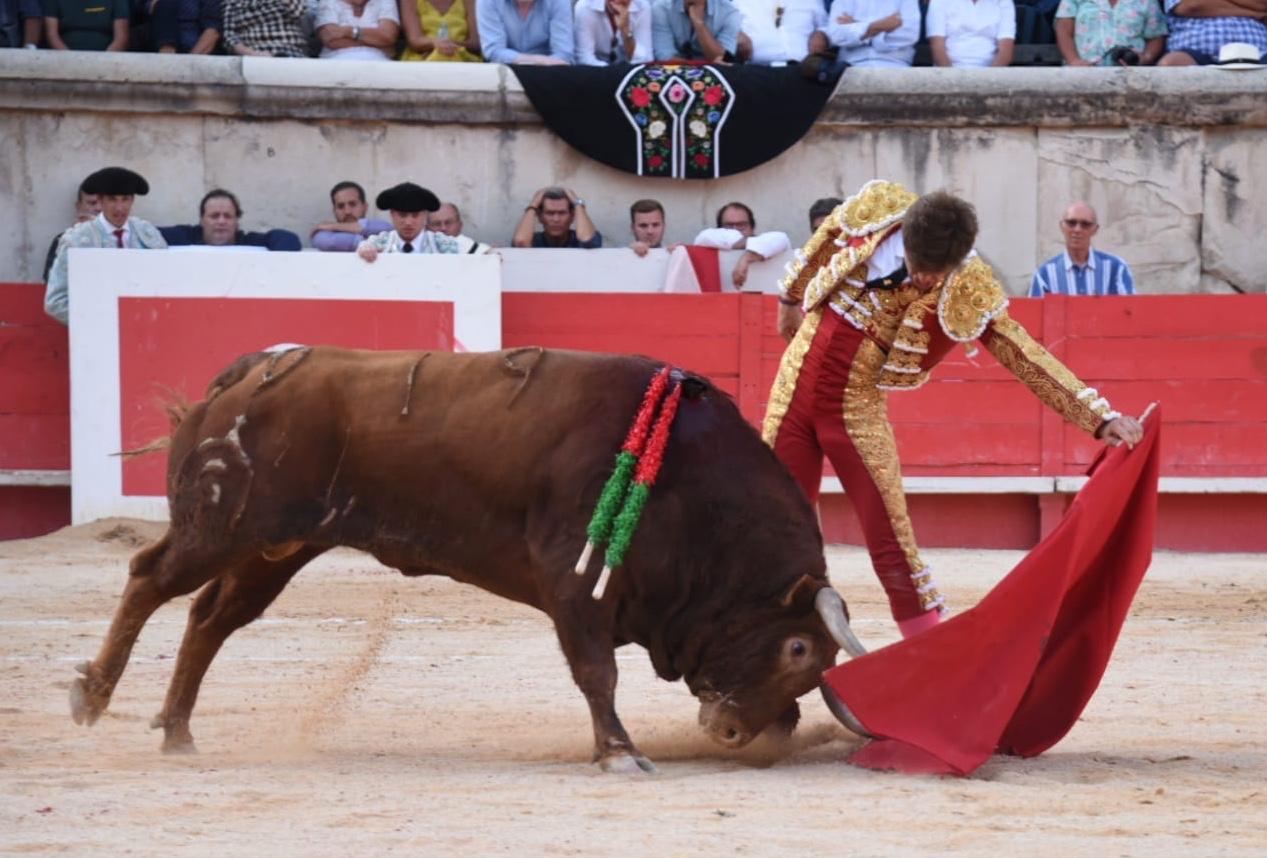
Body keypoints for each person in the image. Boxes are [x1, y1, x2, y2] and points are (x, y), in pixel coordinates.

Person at [765, 181, 1143, 637]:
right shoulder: (879, 209)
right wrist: (791, 295)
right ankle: (767, 640)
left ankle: (926, 644)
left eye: (934, 274)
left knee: (889, 534)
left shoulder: (968, 283)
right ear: (904, 238)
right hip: (794, 382)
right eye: (918, 268)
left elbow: (1021, 352)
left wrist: (1097, 418)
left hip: (853, 404)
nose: (924, 280)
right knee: (775, 517)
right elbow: (826, 236)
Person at [45, 167, 167, 325]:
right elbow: (55, 302)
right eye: (112, 199)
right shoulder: (77, 241)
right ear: (101, 201)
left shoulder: (148, 234)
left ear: (132, 200)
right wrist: (101, 321)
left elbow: (165, 285)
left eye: (125, 199)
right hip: (98, 335)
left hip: (145, 331)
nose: (120, 207)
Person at [1029, 202, 1136, 296]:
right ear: (1062, 226)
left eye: (1085, 224)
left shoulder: (1116, 269)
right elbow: (1033, 316)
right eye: (1071, 223)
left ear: (1095, 229)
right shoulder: (1045, 274)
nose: (1077, 229)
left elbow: (1130, 313)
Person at [159, 189, 302, 251]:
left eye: (228, 216)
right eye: (214, 216)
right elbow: (144, 235)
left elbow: (290, 241)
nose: (221, 221)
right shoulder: (185, 236)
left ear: (237, 222)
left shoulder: (248, 242)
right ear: (202, 220)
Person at [691, 201, 790, 287]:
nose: (735, 230)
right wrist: (740, 241)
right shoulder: (709, 237)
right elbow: (702, 238)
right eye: (728, 226)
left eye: (741, 225)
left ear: (752, 227)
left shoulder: (767, 243)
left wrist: (746, 258)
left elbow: (781, 238)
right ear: (719, 228)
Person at [357, 182, 461, 261]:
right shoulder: (378, 243)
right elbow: (363, 251)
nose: (408, 222)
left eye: (415, 215)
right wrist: (364, 252)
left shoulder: (445, 245)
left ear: (425, 215)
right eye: (402, 215)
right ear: (392, 215)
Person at [1054, 0, 1167, 65]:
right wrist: (1074, 61)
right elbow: (1063, 31)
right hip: (1085, 72)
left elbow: (1156, 35)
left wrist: (1146, 58)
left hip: (1130, 73)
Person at [1157, 0, 1267, 66]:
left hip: (1258, 52)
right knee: (1172, 63)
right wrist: (1255, 12)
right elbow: (1192, 5)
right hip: (1194, 52)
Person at [825, 0, 920, 66]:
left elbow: (908, 35)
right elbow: (837, 35)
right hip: (850, 65)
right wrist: (881, 26)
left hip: (895, 65)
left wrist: (856, 25)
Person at [477, 0, 574, 64]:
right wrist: (538, 60)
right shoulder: (488, 1)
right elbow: (493, 51)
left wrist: (544, 63)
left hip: (550, 73)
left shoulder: (559, 1)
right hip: (506, 71)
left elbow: (564, 53)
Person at [731, 0, 827, 64]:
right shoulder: (740, 2)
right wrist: (735, 35)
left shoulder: (812, 2)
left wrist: (822, 34)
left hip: (803, 71)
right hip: (758, 70)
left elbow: (826, 29)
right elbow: (724, 31)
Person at [43, 181, 102, 282]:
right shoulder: (63, 240)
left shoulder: (124, 238)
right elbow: (51, 281)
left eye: (104, 203)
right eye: (92, 203)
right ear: (79, 207)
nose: (99, 208)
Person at [926, 0, 1016, 67]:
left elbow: (1005, 52)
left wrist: (988, 82)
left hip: (990, 75)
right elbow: (938, 49)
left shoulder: (1004, 2)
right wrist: (953, 83)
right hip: (948, 74)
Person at [312, 180, 393, 251]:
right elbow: (325, 242)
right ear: (334, 210)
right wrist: (375, 243)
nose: (347, 211)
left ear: (365, 207)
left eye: (353, 204)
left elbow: (388, 228)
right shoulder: (325, 234)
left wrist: (333, 226)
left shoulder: (378, 226)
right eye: (340, 206)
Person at [651, 0, 742, 61]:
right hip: (673, 72)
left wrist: (699, 23)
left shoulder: (729, 12)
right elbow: (665, 57)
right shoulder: (661, 8)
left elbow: (723, 59)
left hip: (713, 76)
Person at [512, 186, 602, 248]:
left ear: (572, 216)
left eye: (562, 213)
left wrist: (577, 203)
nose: (556, 219)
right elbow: (521, 242)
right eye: (550, 213)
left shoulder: (579, 239)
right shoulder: (534, 240)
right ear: (540, 217)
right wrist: (533, 205)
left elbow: (588, 240)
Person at [314, 0, 399, 59]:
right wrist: (379, 42)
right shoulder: (329, 2)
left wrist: (347, 31)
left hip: (379, 64)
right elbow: (331, 40)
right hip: (335, 63)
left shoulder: (385, 1)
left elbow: (388, 36)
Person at [574, 0, 653, 64]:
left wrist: (625, 31)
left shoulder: (642, 6)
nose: (617, 1)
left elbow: (646, 60)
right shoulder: (585, 7)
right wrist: (613, 74)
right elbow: (584, 59)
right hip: (596, 74)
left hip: (626, 73)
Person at [399, 0, 481, 60]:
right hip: (422, 58)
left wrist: (449, 45)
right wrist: (434, 43)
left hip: (463, 58)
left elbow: (476, 43)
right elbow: (414, 40)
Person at [221, 0, 307, 56]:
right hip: (254, 53)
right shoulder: (232, 2)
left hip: (290, 51)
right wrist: (251, 53)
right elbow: (229, 36)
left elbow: (299, 12)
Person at [43, 0, 128, 50]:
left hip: (107, 58)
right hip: (64, 58)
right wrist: (68, 59)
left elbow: (121, 36)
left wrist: (104, 60)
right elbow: (52, 35)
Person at [144, 0, 222, 53]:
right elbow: (148, 9)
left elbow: (212, 31)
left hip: (194, 49)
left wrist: (188, 62)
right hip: (157, 46)